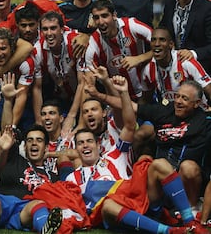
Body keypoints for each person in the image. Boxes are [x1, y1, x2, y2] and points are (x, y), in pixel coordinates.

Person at [58, 129, 208, 233]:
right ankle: (168, 231)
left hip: (136, 198)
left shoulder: (114, 156)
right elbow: (74, 205)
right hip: (114, 213)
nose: (85, 145)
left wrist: (122, 92)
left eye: (89, 141)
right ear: (75, 148)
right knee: (108, 205)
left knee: (159, 164)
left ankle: (190, 222)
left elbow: (129, 125)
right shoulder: (72, 178)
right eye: (80, 143)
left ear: (98, 145)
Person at [91, 80, 211, 208]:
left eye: (185, 98)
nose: (178, 101)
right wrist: (99, 95)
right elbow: (131, 106)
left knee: (188, 167)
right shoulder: (165, 110)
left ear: (197, 103)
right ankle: (153, 209)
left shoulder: (205, 122)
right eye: (177, 96)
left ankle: (191, 208)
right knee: (145, 161)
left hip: (186, 179)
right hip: (160, 174)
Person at [0, 76, 62, 234]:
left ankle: (46, 229)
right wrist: (7, 101)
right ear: (24, 145)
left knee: (38, 205)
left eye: (38, 140)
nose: (33, 143)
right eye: (30, 140)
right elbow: (7, 131)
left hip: (26, 209)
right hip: (2, 203)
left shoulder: (52, 175)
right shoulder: (14, 158)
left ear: (46, 147)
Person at [84, 0, 152, 100]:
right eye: (96, 18)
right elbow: (89, 84)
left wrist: (139, 58)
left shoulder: (131, 25)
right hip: (117, 98)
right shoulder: (93, 44)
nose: (101, 22)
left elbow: (164, 47)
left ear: (114, 15)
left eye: (105, 16)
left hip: (146, 94)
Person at [159, 0, 211, 75]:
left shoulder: (206, 7)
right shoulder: (169, 4)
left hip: (200, 70)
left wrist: (193, 53)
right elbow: (162, 30)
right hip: (173, 69)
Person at [140, 27, 211, 107]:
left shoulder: (185, 62)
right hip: (171, 114)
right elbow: (145, 99)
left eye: (162, 40)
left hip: (197, 113)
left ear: (171, 44)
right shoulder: (148, 70)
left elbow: (209, 88)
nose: (157, 44)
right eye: (153, 40)